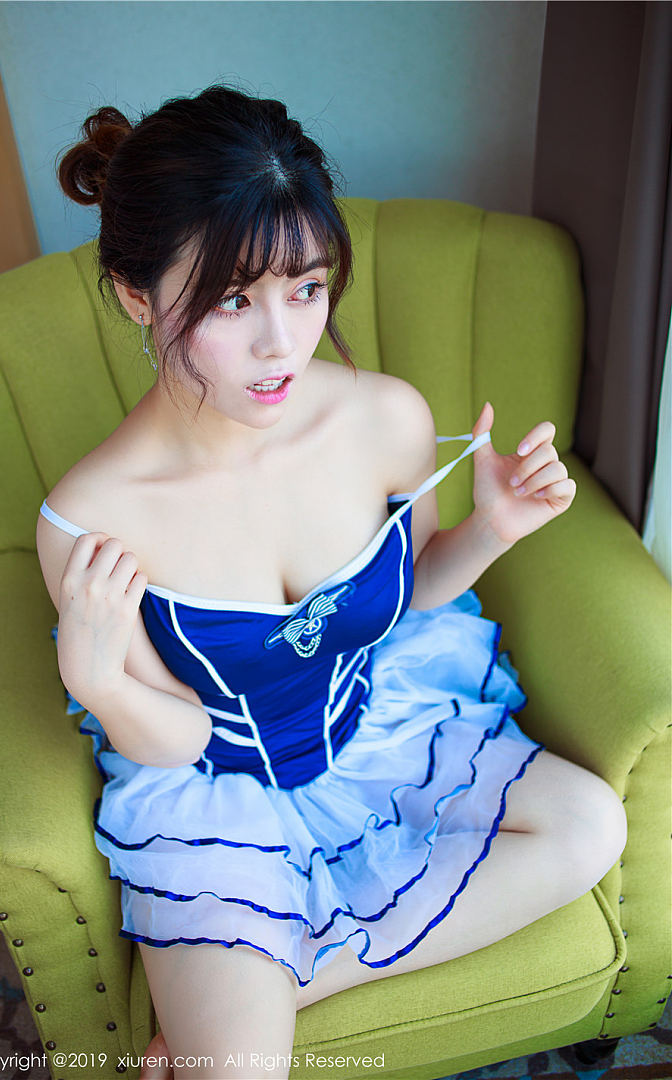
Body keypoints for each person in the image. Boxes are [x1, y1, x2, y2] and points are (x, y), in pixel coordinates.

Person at [36, 86, 627, 1080]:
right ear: (139, 298)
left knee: (590, 826)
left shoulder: (385, 418)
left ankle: (294, 975)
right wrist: (96, 680)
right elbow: (177, 740)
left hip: (382, 730)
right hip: (220, 796)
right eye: (233, 301)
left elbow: (413, 593)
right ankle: (243, 1004)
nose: (282, 343)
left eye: (306, 289)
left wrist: (492, 529)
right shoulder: (93, 520)